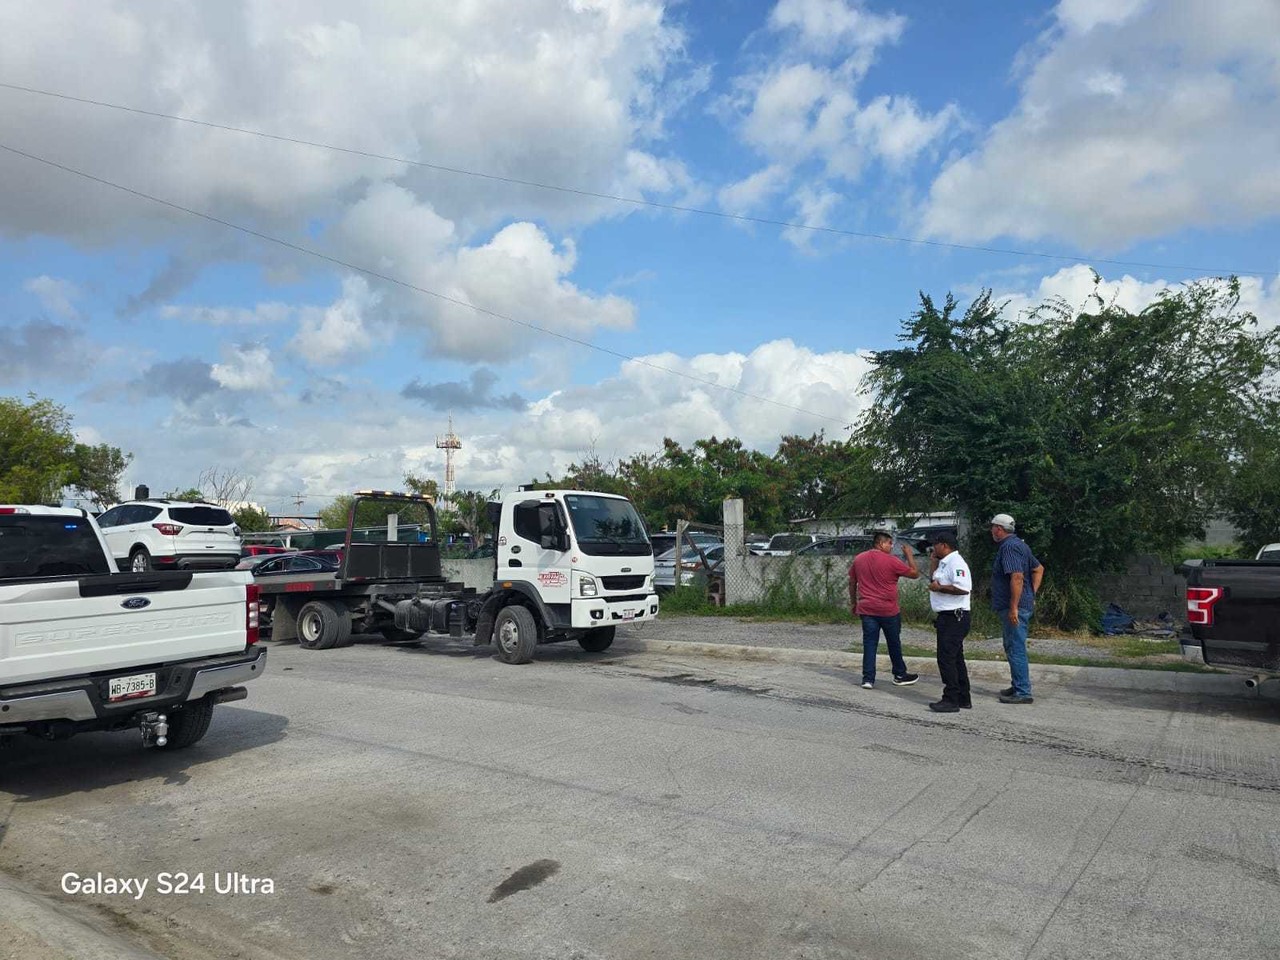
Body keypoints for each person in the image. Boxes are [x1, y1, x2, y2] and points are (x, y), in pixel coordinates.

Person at [849, 532, 920, 689]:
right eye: (889, 543)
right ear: (881, 544)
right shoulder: (892, 561)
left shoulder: (859, 558)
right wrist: (909, 555)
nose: (891, 546)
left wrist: (854, 603)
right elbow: (914, 574)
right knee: (893, 642)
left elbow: (852, 582)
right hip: (888, 610)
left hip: (866, 608)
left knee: (869, 643)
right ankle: (899, 674)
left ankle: (868, 678)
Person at [989, 513, 1045, 704]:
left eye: (992, 527)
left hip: (1014, 607)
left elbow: (1017, 577)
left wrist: (1014, 606)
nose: (991, 530)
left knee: (1015, 647)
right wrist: (1031, 594)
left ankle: (1022, 691)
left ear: (999, 528)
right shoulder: (1021, 545)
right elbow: (1039, 569)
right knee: (1012, 645)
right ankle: (1018, 684)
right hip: (1021, 604)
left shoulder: (1010, 547)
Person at [926, 534, 972, 713]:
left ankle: (951, 698)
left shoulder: (956, 563)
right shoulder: (944, 563)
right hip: (946, 616)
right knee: (956, 658)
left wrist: (941, 588)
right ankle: (963, 697)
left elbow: (963, 588)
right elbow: (934, 580)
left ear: (943, 545)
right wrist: (933, 562)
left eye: (935, 545)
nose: (933, 549)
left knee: (946, 658)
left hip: (955, 617)